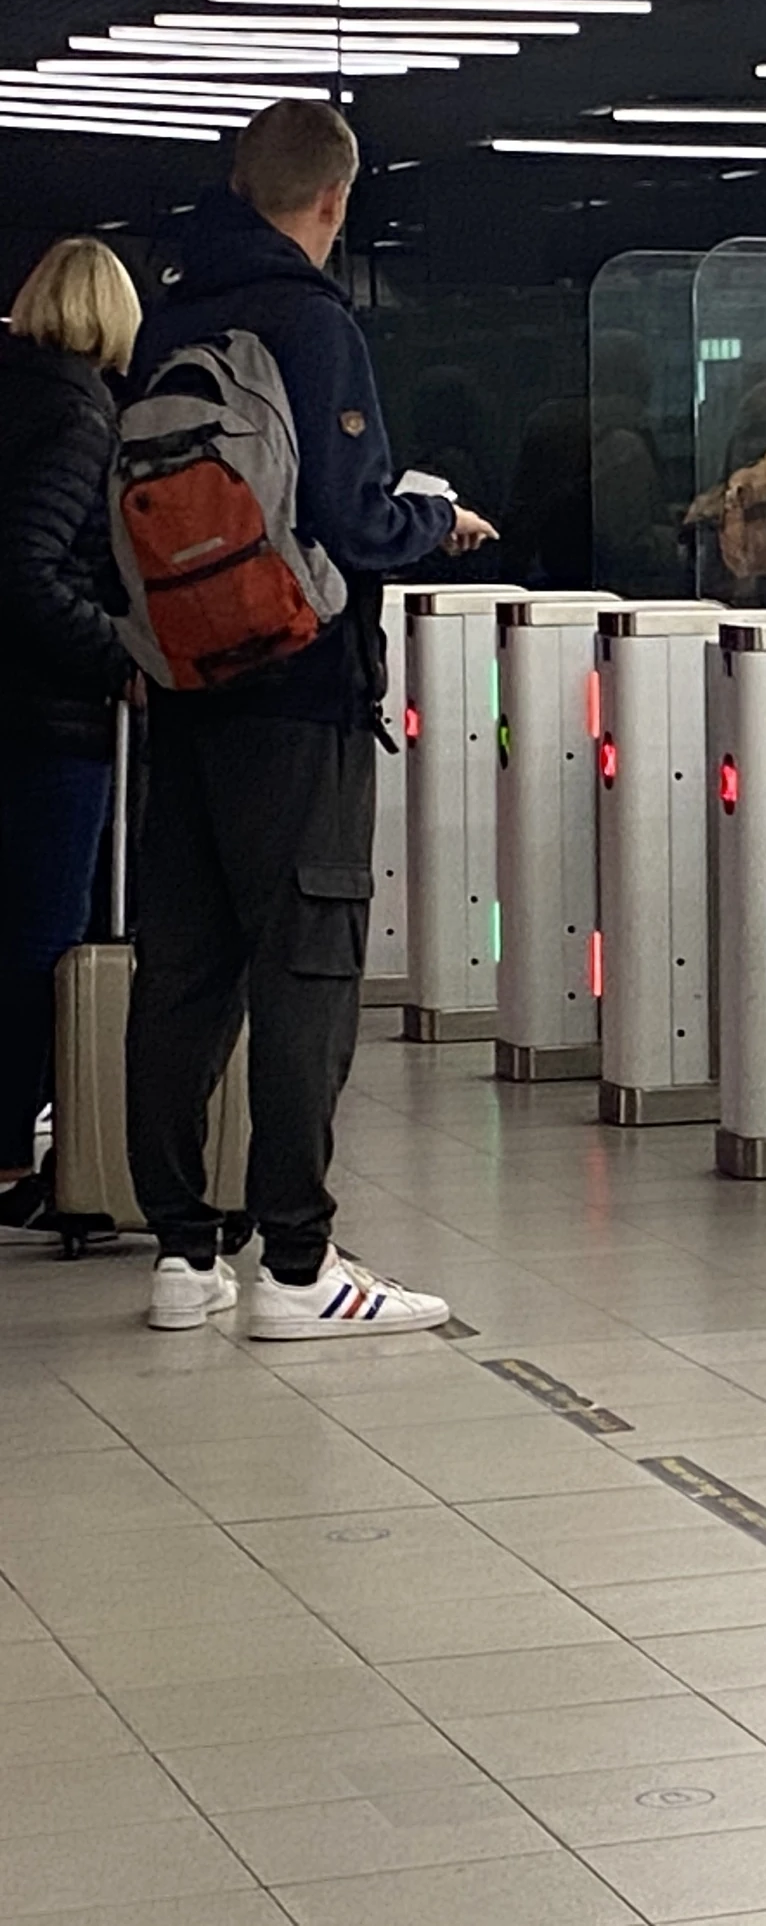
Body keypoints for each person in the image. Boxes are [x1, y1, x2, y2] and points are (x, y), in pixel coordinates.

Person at [128, 100, 497, 1337]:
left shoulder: (170, 316)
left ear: (241, 180)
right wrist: (434, 522)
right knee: (305, 972)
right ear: (334, 203)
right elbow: (349, 518)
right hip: (298, 694)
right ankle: (298, 1268)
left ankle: (183, 1259)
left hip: (180, 693)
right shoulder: (314, 324)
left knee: (181, 973)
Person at [0, 240, 143, 1231]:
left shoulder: (13, 395)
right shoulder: (80, 411)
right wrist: (117, 655)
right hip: (49, 718)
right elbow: (30, 565)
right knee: (44, 936)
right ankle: (12, 1149)